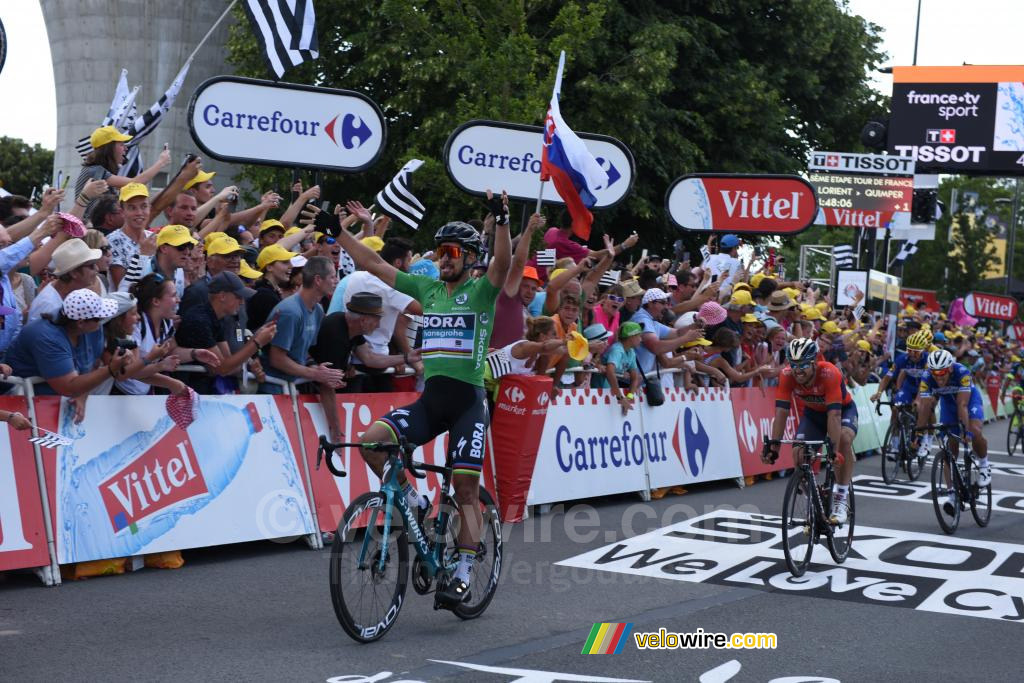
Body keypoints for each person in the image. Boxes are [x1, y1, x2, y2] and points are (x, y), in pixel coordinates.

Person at [332, 195, 511, 609]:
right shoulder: (428, 289)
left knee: (466, 488)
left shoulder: (481, 292)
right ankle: (415, 500)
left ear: (469, 258)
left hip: (468, 403)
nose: (443, 258)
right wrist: (338, 233)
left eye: (451, 252)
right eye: (440, 250)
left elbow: (502, 265)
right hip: (431, 401)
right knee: (371, 443)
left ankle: (464, 572)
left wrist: (502, 221)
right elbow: (375, 265)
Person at [763, 338, 857, 525]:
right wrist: (774, 445)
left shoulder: (830, 372)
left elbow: (835, 415)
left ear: (814, 362)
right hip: (813, 415)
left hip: (841, 412)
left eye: (804, 365)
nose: (798, 371)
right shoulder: (787, 375)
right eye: (794, 364)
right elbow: (781, 411)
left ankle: (840, 498)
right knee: (798, 454)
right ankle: (813, 501)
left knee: (844, 440)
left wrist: (834, 449)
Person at [6, 289, 133, 420]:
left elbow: (91, 367)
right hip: (18, 404)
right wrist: (111, 369)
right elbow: (68, 387)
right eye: (99, 317)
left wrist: (82, 394)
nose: (103, 320)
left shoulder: (92, 326)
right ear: (81, 323)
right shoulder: (46, 336)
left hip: (48, 400)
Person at [173, 272, 275, 394]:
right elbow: (222, 368)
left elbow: (229, 363)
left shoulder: (214, 318)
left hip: (197, 390)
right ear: (222, 296)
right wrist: (257, 342)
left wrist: (255, 342)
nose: (242, 302)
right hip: (185, 392)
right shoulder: (200, 320)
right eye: (238, 297)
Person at [915, 349, 990, 513]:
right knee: (950, 449)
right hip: (948, 405)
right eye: (934, 372)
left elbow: (962, 405)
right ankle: (952, 494)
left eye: (941, 372)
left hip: (969, 402)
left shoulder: (962, 372)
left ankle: (984, 465)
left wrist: (966, 431)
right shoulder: (927, 377)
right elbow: (926, 406)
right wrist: (919, 433)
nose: (938, 376)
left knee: (975, 431)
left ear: (949, 368)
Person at [74, 125, 171, 219]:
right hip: (89, 232)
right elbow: (135, 183)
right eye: (121, 144)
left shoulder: (96, 170)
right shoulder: (95, 171)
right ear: (109, 148)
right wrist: (161, 162)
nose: (125, 148)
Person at [28, 239, 103, 323]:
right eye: (91, 266)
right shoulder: (50, 306)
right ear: (74, 273)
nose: (97, 269)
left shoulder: (63, 293)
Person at [595, 321, 643, 415]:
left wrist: (628, 397)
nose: (641, 339)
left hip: (610, 390)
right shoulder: (617, 349)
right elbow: (610, 372)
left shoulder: (631, 352)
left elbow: (635, 378)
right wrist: (620, 398)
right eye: (639, 336)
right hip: (600, 388)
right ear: (631, 337)